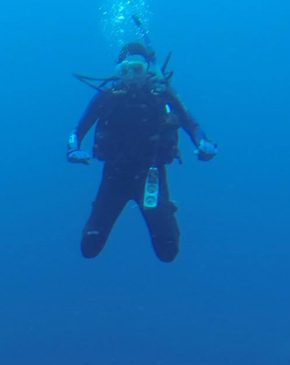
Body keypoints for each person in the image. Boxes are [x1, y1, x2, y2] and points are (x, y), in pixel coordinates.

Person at [67, 41, 218, 262]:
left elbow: (192, 125)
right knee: (89, 246)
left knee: (168, 251)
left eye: (136, 69)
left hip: (151, 175)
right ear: (118, 72)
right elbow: (77, 130)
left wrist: (203, 144)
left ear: (147, 69)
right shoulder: (107, 96)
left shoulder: (162, 94)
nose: (131, 76)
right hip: (114, 175)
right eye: (125, 70)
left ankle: (165, 210)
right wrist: (73, 150)